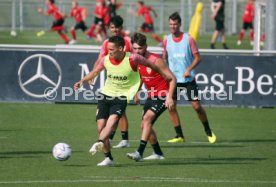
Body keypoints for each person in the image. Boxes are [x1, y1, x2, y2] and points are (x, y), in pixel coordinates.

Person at [74, 35, 168, 166]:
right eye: (108, 49)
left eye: (112, 49)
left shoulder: (133, 58)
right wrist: (82, 81)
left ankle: (99, 141)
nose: (109, 52)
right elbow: (95, 72)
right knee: (101, 126)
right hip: (105, 95)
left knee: (111, 123)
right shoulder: (106, 59)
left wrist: (163, 74)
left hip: (122, 97)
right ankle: (108, 158)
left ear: (120, 48)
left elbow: (151, 64)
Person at [163, 12, 216, 144]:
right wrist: (166, 70)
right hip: (173, 80)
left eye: (175, 24)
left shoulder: (189, 39)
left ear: (180, 24)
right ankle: (179, 135)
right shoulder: (166, 40)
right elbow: (165, 57)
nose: (173, 26)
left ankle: (208, 131)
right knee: (171, 106)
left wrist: (189, 69)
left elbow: (198, 57)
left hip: (188, 80)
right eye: (170, 24)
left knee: (197, 106)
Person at [127, 33, 176, 161]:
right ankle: (158, 153)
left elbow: (173, 79)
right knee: (145, 126)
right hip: (152, 95)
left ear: (146, 47)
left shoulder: (156, 60)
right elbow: (142, 78)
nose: (137, 51)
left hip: (164, 95)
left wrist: (170, 98)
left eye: (140, 48)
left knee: (147, 118)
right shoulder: (137, 60)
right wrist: (137, 92)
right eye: (135, 48)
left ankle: (139, 152)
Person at [92, 15, 132, 149]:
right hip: (112, 82)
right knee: (118, 113)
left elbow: (134, 59)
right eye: (112, 27)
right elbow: (100, 58)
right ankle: (118, 138)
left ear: (121, 28)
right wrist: (93, 73)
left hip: (125, 82)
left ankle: (121, 138)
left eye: (117, 27)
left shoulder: (127, 41)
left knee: (119, 112)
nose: (114, 30)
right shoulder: (106, 43)